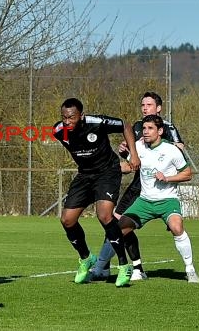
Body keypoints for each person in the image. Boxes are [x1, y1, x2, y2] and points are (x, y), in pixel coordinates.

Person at [91, 91, 185, 281]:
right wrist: (125, 150)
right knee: (114, 223)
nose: (144, 108)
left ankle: (131, 268)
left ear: (158, 108)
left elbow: (179, 149)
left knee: (120, 225)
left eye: (149, 105)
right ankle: (118, 267)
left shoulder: (167, 127)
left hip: (159, 189)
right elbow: (133, 156)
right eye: (143, 105)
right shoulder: (136, 127)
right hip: (137, 186)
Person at [53, 98, 140, 287]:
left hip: (107, 173)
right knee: (67, 220)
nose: (67, 121)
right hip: (85, 176)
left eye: (71, 117)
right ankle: (86, 258)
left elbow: (125, 125)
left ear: (81, 116)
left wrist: (133, 154)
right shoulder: (59, 131)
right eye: (64, 117)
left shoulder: (97, 123)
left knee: (105, 215)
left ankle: (124, 265)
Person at [118, 114, 199, 283]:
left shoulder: (171, 150)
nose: (145, 132)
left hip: (168, 201)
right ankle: (138, 268)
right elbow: (129, 166)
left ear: (160, 131)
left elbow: (187, 174)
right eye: (144, 128)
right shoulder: (138, 146)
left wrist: (167, 178)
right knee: (121, 228)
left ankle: (190, 269)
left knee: (177, 227)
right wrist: (113, 167)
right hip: (144, 201)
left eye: (150, 128)